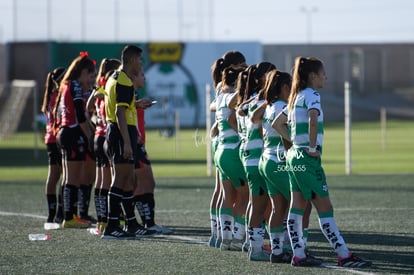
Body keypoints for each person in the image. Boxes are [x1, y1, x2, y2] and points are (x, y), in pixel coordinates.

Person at [272, 56, 372, 268]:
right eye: (323, 73)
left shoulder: (293, 97)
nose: (325, 77)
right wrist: (309, 147)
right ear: (312, 76)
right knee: (325, 208)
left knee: (297, 206)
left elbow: (276, 124)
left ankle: (298, 255)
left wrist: (295, 143)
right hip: (307, 160)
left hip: (293, 158)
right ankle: (343, 254)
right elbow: (313, 119)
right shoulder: (311, 95)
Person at [102, 45, 154, 239]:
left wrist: (137, 104)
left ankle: (131, 224)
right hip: (121, 131)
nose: (141, 63)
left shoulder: (114, 77)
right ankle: (111, 226)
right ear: (132, 60)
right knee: (120, 179)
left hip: (118, 130)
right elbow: (119, 112)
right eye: (140, 60)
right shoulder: (124, 80)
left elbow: (120, 106)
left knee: (127, 180)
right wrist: (127, 142)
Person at [251, 69, 293, 263]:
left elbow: (257, 123)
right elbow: (283, 132)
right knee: (301, 204)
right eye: (292, 85)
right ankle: (299, 248)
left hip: (266, 160)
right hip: (279, 162)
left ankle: (278, 251)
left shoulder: (269, 107)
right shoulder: (282, 107)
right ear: (285, 87)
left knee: (278, 208)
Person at [236, 62, 276, 261]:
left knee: (255, 204)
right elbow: (256, 123)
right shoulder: (261, 101)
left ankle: (251, 244)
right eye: (272, 75)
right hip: (256, 159)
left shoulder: (249, 99)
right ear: (262, 78)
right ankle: (257, 249)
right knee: (261, 206)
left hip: (248, 158)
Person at [209, 51, 247, 248]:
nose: (246, 68)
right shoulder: (232, 92)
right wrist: (242, 133)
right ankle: (239, 236)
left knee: (224, 193)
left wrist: (217, 123)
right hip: (232, 147)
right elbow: (232, 117)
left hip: (220, 146)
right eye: (243, 65)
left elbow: (213, 107)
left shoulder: (220, 90)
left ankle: (219, 236)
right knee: (243, 195)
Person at [55, 52, 96, 228]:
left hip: (66, 133)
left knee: (69, 177)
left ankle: (68, 216)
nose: (91, 80)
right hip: (72, 134)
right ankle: (68, 217)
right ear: (83, 72)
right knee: (72, 178)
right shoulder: (75, 86)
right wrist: (90, 138)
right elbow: (79, 115)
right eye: (91, 75)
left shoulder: (67, 85)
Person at [132, 66, 173, 235]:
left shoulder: (132, 94)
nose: (145, 78)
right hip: (134, 144)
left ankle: (146, 223)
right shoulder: (127, 92)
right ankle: (147, 224)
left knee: (141, 184)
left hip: (137, 143)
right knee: (143, 184)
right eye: (141, 74)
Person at [86, 58, 121, 233]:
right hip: (107, 135)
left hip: (98, 136)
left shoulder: (99, 84)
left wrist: (95, 126)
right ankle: (111, 219)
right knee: (111, 180)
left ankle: (102, 220)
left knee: (100, 181)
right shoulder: (109, 84)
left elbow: (88, 107)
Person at [41, 67, 66, 230]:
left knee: (57, 176)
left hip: (51, 138)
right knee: (61, 176)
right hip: (56, 138)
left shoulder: (51, 95)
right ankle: (56, 213)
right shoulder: (57, 96)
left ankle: (56, 213)